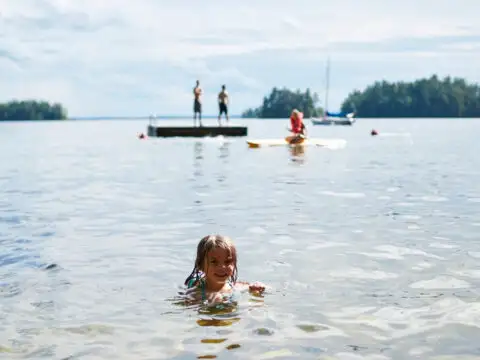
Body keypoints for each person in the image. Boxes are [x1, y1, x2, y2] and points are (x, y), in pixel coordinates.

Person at [184, 235, 266, 304]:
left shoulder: (235, 286)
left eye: (227, 262)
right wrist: (209, 305)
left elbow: (266, 288)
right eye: (214, 262)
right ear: (200, 265)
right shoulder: (195, 294)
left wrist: (258, 287)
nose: (222, 267)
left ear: (234, 264)